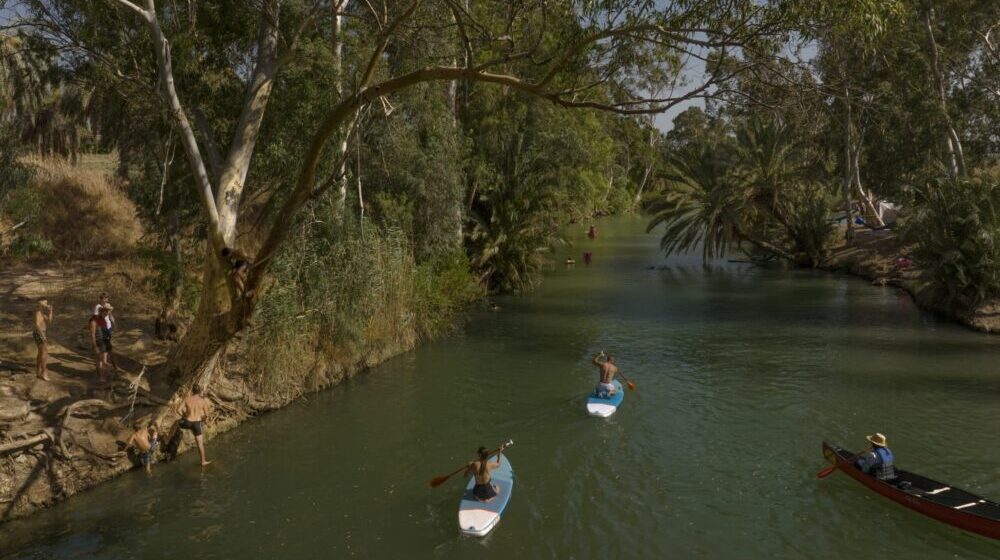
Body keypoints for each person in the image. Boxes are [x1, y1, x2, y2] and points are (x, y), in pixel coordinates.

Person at [178, 384, 212, 466]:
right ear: (199, 391)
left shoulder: (187, 399)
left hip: (187, 422)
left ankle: (168, 438)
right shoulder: (203, 401)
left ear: (192, 391)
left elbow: (178, 410)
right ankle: (203, 462)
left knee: (176, 423)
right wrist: (203, 420)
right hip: (197, 424)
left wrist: (184, 416)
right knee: (200, 444)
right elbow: (207, 415)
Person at [89, 306, 116, 379]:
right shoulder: (94, 321)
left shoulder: (103, 319)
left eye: (108, 311)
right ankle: (100, 376)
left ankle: (115, 369)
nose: (107, 313)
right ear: (101, 311)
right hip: (98, 341)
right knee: (99, 359)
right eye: (106, 311)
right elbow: (92, 334)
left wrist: (109, 337)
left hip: (105, 340)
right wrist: (95, 346)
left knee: (112, 353)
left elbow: (106, 330)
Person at [33, 299, 54, 380]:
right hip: (39, 333)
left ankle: (38, 371)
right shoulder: (37, 312)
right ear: (40, 302)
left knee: (41, 353)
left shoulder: (41, 312)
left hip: (41, 333)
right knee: (44, 353)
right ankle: (44, 372)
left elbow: (49, 320)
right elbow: (37, 325)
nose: (46, 304)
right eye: (45, 302)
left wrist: (50, 311)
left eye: (46, 302)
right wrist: (42, 335)